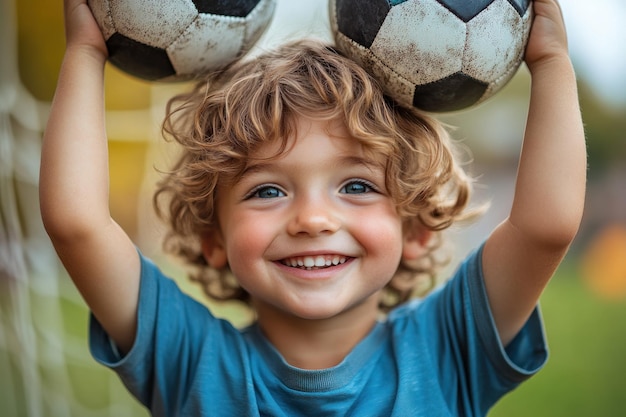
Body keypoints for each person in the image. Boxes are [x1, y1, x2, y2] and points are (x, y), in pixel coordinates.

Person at [40, 0, 586, 415]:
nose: (312, 220)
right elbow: (77, 224)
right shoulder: (191, 361)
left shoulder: (448, 350)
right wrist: (85, 52)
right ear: (213, 238)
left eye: (356, 187)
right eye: (267, 191)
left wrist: (552, 61)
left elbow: (545, 227)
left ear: (415, 225)